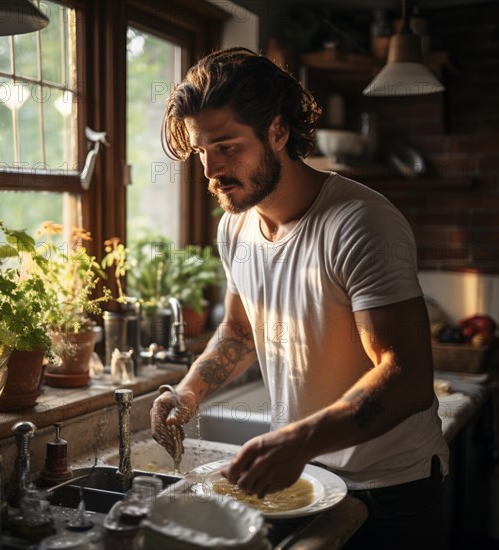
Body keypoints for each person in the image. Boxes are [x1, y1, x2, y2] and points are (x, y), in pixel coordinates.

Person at [150, 47, 449, 548]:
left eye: (226, 146)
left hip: (392, 488)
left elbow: (407, 375)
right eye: (202, 151)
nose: (210, 170)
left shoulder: (359, 222)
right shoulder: (235, 229)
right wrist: (187, 392)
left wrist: (297, 438)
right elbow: (242, 331)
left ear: (278, 131)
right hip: (308, 479)